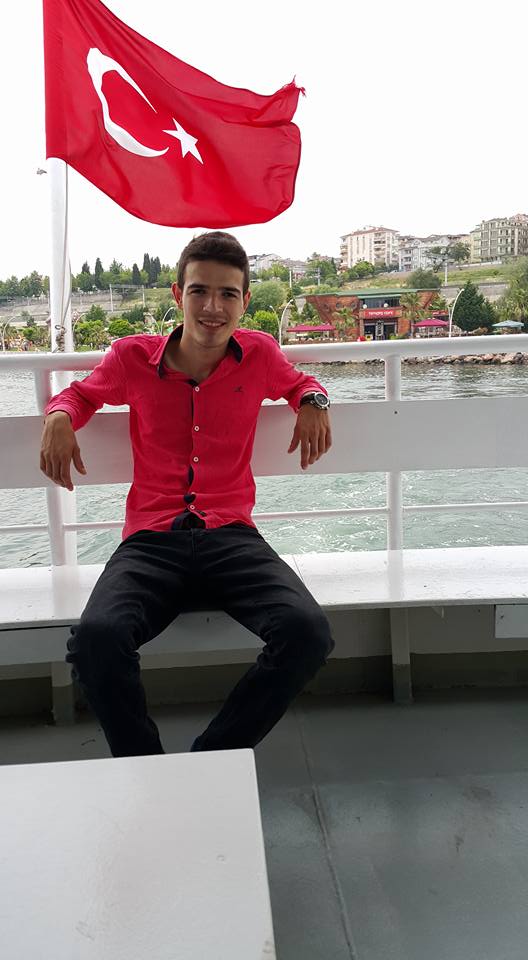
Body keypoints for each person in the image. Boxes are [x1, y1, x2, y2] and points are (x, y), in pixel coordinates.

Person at [40, 231, 334, 757]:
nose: (212, 307)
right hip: (151, 541)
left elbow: (299, 381)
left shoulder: (259, 354)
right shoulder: (132, 357)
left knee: (307, 633)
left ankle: (213, 758)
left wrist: (314, 400)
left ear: (244, 301)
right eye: (200, 291)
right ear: (179, 295)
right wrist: (59, 416)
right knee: (95, 642)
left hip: (231, 537)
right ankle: (148, 767)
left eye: (227, 294)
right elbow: (80, 394)